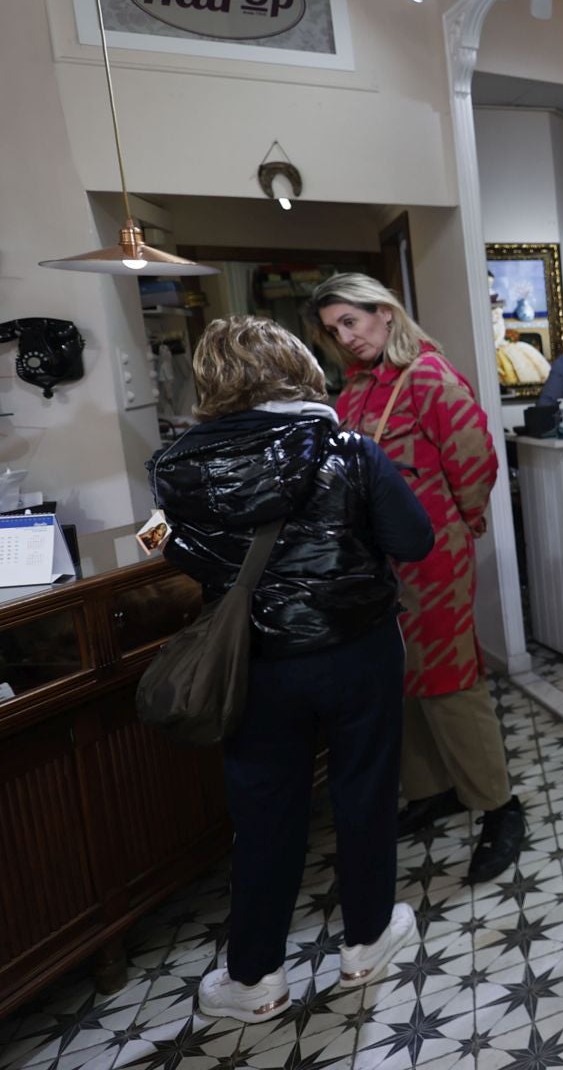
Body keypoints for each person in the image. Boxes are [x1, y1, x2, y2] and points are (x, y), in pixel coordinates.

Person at [148, 318, 431, 1023]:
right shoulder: (350, 450)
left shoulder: (177, 466)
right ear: (296, 367)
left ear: (212, 380)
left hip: (257, 661)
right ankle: (366, 943)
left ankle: (254, 980)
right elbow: (414, 539)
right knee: (364, 793)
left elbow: (188, 556)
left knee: (265, 811)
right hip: (356, 647)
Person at [307, 274, 527, 884]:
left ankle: (500, 806)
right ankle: (433, 790)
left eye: (351, 321)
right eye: (333, 331)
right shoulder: (354, 388)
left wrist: (464, 519)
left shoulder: (427, 377)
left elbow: (476, 459)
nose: (345, 338)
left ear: (384, 312)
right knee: (400, 676)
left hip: (432, 556)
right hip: (377, 561)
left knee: (450, 678)